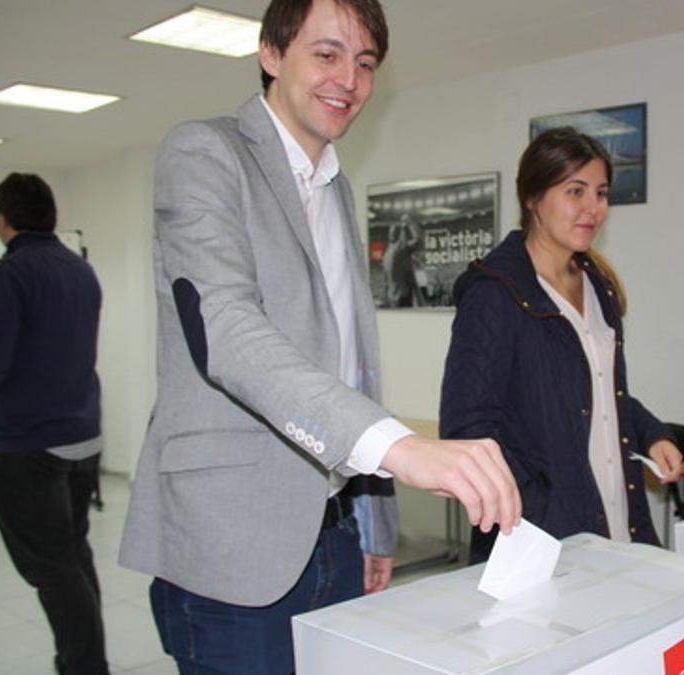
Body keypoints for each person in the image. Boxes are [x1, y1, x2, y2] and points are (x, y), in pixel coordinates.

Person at [117, 1, 520, 672]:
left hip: (334, 533)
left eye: (365, 64)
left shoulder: (333, 187)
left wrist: (374, 523)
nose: (350, 80)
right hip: (232, 544)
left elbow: (351, 367)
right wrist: (401, 448)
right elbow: (225, 330)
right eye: (327, 54)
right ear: (272, 55)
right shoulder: (204, 152)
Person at [440, 127, 683, 563]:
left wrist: (651, 434)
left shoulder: (597, 285)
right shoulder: (494, 292)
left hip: (619, 523)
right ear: (533, 197)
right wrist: (541, 507)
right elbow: (466, 429)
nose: (594, 208)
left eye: (602, 193)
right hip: (540, 541)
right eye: (576, 191)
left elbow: (596, 387)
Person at [0, 173, 107, 674]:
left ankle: (84, 668)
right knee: (72, 558)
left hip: (27, 447)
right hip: (81, 439)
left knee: (53, 570)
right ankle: (86, 662)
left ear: (2, 220)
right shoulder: (81, 271)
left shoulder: (8, 274)